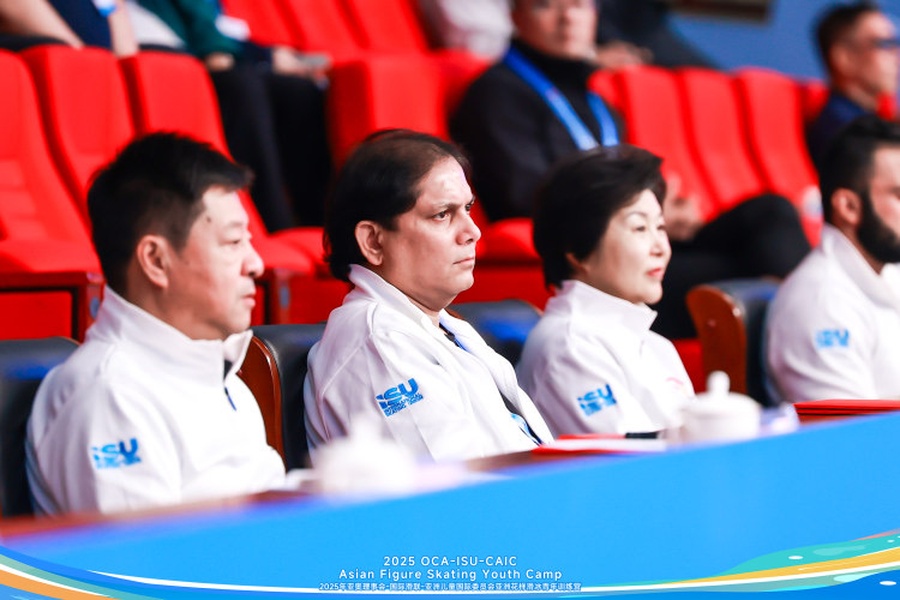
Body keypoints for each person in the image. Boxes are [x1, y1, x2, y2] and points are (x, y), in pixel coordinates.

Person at [450, 0, 810, 339]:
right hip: (595, 264)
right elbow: (529, 196)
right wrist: (643, 211)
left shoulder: (596, 100)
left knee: (770, 211)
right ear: (515, 16)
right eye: (546, 4)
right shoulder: (496, 94)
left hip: (638, 241)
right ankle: (810, 327)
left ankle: (811, 318)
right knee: (754, 277)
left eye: (578, 4)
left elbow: (623, 179)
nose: (567, 17)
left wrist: (663, 209)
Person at [26, 132, 286, 515]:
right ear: (156, 260)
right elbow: (145, 554)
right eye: (232, 243)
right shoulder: (110, 395)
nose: (256, 264)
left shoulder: (226, 377)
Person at [304, 130, 552, 463]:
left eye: (468, 208)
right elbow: (453, 487)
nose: (473, 231)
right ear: (373, 241)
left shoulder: (442, 324)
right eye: (442, 214)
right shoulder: (380, 343)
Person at [518, 144, 693, 436]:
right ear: (578, 251)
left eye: (660, 227)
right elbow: (629, 459)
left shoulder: (657, 345)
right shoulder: (570, 345)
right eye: (640, 228)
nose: (661, 247)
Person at [125, 0, 333, 231]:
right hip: (174, 54)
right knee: (242, 87)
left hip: (212, 50)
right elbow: (207, 39)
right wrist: (222, 51)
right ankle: (274, 225)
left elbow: (218, 30)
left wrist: (265, 55)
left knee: (298, 91)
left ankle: (319, 224)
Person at [767, 115, 900, 403]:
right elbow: (851, 430)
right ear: (849, 207)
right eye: (899, 195)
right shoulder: (821, 302)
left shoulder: (890, 272)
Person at [807, 2, 900, 171]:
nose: (896, 56)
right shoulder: (844, 133)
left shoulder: (869, 123)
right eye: (885, 44)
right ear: (844, 58)